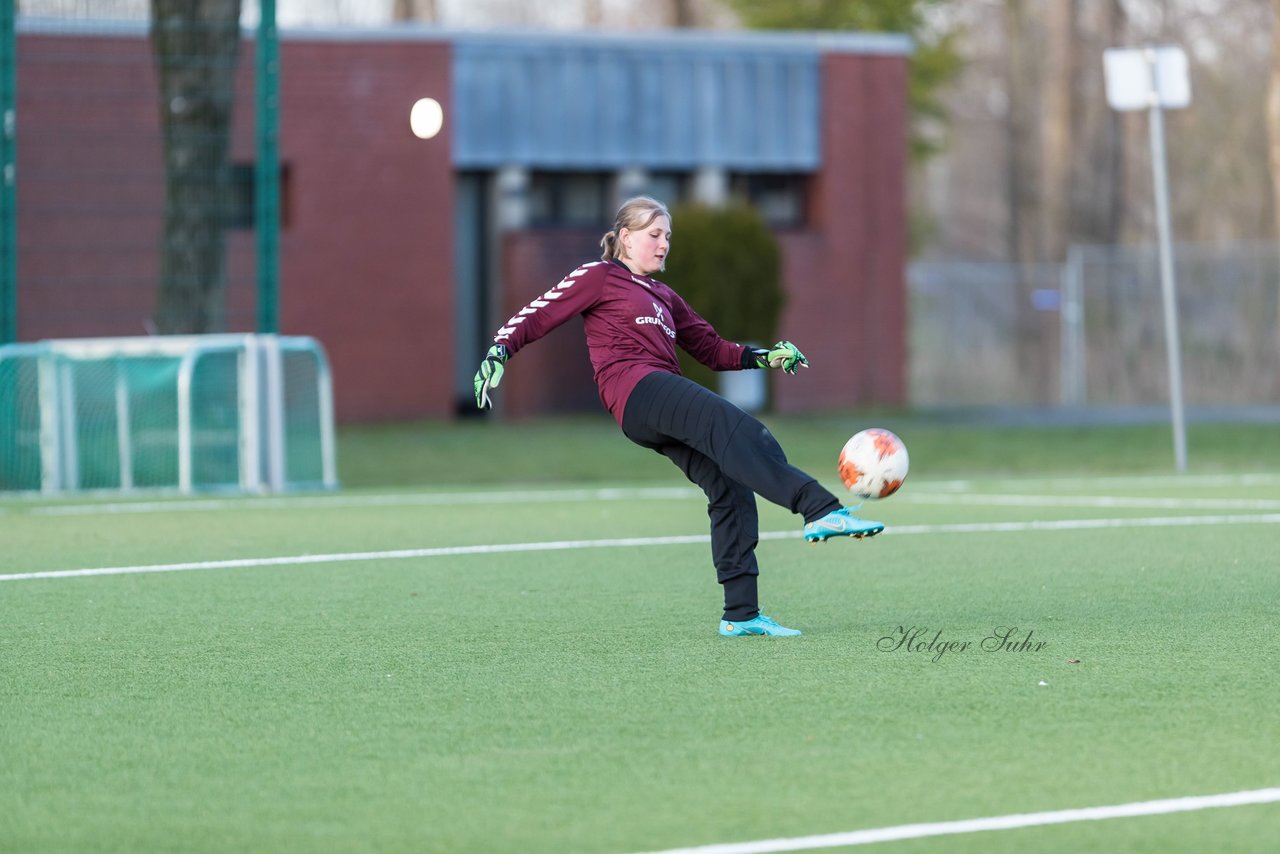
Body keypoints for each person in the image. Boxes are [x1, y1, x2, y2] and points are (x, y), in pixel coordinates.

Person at [473, 196, 883, 637]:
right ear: (625, 239)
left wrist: (766, 357)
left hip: (655, 402)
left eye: (667, 236)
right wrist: (501, 348)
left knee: (729, 485)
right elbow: (542, 310)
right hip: (636, 390)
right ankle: (819, 509)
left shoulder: (666, 297)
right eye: (654, 235)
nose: (664, 244)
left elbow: (712, 349)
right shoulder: (600, 276)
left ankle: (741, 613)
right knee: (739, 428)